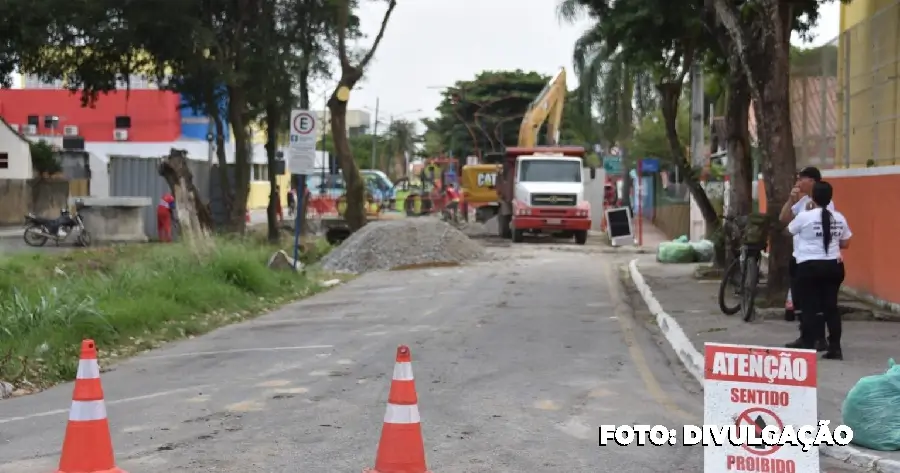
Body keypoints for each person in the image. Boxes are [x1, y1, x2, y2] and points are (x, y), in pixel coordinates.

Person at [786, 181, 851, 359]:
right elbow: (845, 243)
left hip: (809, 266)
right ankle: (835, 347)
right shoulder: (839, 217)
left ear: (813, 197)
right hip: (833, 267)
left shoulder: (805, 216)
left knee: (808, 307)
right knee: (831, 307)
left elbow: (789, 230)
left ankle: (808, 345)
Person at [779, 166, 835, 351]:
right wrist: (790, 200)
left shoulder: (827, 204)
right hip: (799, 257)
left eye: (801, 178)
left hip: (817, 259)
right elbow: (784, 219)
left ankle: (819, 338)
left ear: (812, 181)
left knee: (817, 301)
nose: (798, 182)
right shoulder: (802, 201)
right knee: (800, 300)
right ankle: (805, 335)